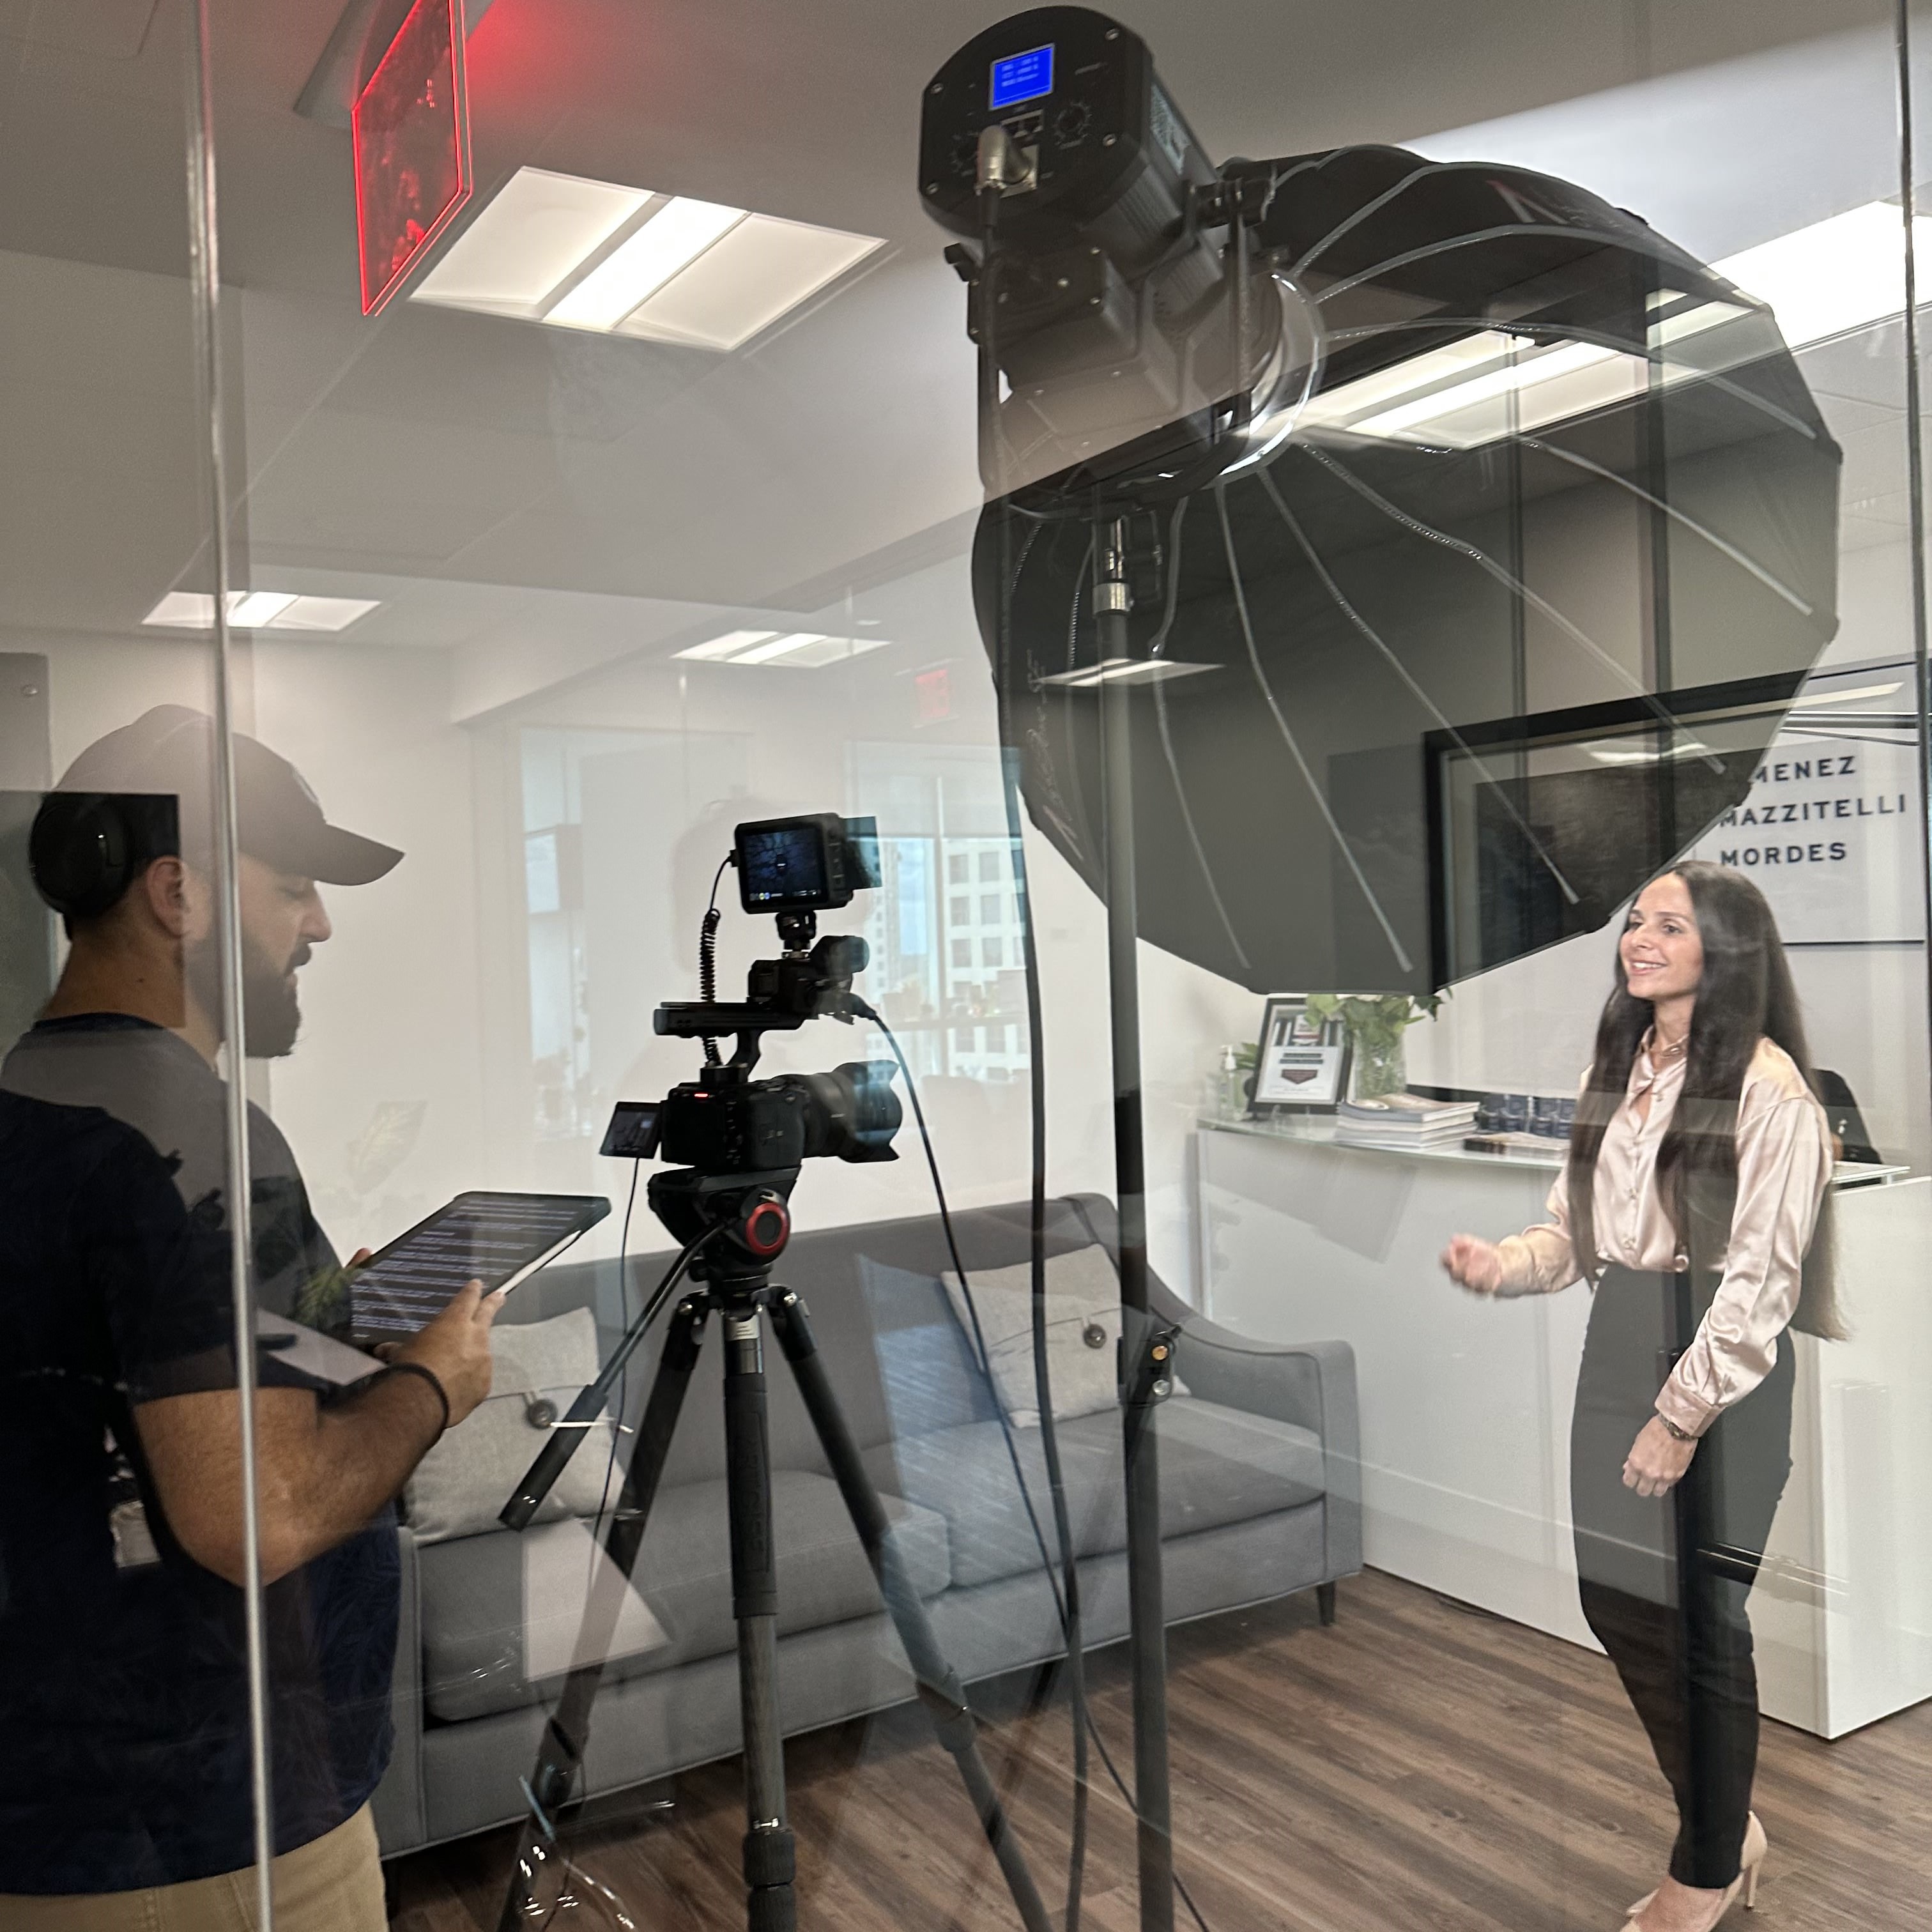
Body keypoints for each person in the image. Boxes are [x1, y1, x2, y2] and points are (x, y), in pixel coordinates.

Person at [0, 707, 505, 1930]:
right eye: (292, 891)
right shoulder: (200, 1139)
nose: (318, 926)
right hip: (209, 1841)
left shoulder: (31, 1098)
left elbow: (100, 1386)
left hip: (59, 1799)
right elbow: (255, 1515)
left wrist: (320, 1323)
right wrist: (436, 1383)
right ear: (180, 894)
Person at [1441, 861, 1837, 1932]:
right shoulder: (1616, 1068)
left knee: (1703, 1623)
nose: (1640, 939)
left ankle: (1704, 1869)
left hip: (1719, 1365)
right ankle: (1728, 1825)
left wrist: (1680, 1415)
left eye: (1671, 924)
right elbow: (1573, 1237)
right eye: (1636, 922)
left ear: (1727, 950)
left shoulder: (1770, 1091)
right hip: (1622, 1340)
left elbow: (1759, 1286)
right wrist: (1505, 1263)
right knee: (1615, 1601)